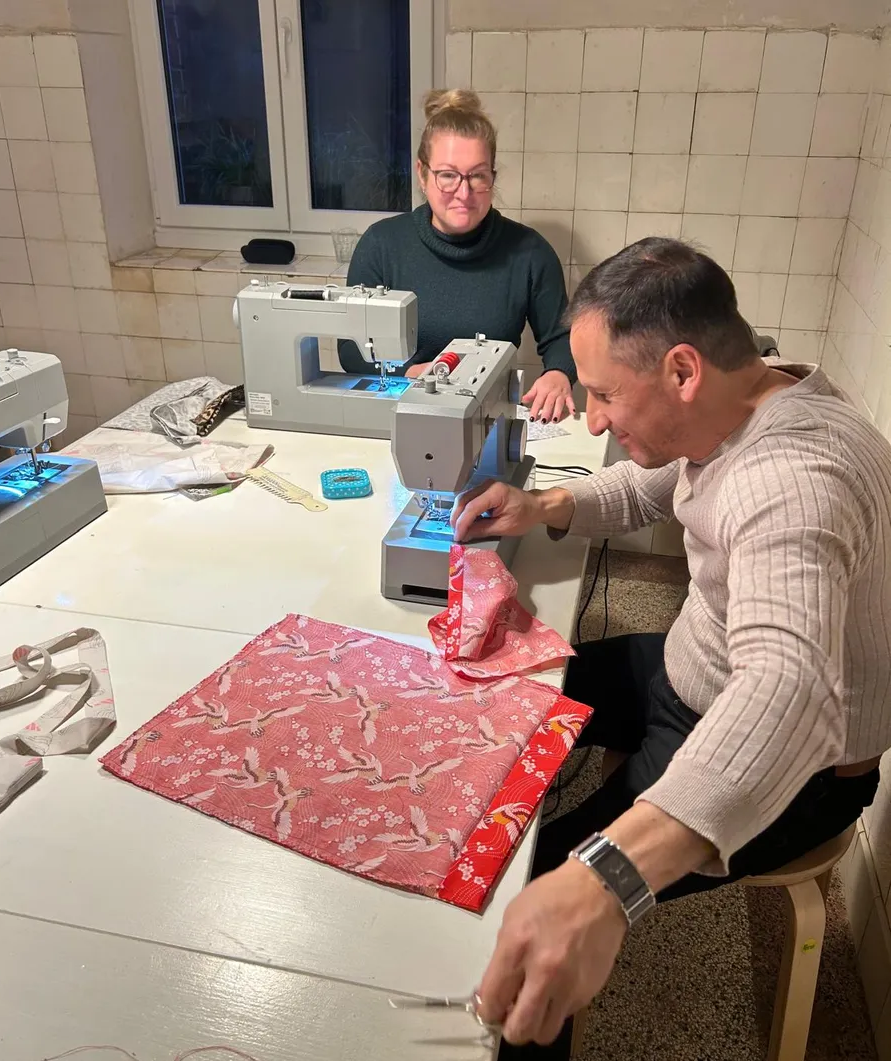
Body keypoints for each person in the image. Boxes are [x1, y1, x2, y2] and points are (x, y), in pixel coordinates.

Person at [451, 237, 891, 1057]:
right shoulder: (754, 389)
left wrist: (606, 879)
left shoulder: (792, 482)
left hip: (794, 769)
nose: (593, 419)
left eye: (604, 394)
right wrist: (542, 504)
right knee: (519, 682)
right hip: (692, 670)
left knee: (538, 884)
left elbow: (789, 692)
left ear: (682, 370)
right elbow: (654, 484)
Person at [338, 89, 577, 425]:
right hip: (399, 413)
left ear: (492, 177)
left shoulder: (530, 253)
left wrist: (558, 374)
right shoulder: (381, 245)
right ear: (422, 174)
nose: (463, 193)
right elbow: (351, 349)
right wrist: (408, 373)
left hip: (487, 421)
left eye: (477, 176)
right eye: (448, 175)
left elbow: (562, 338)